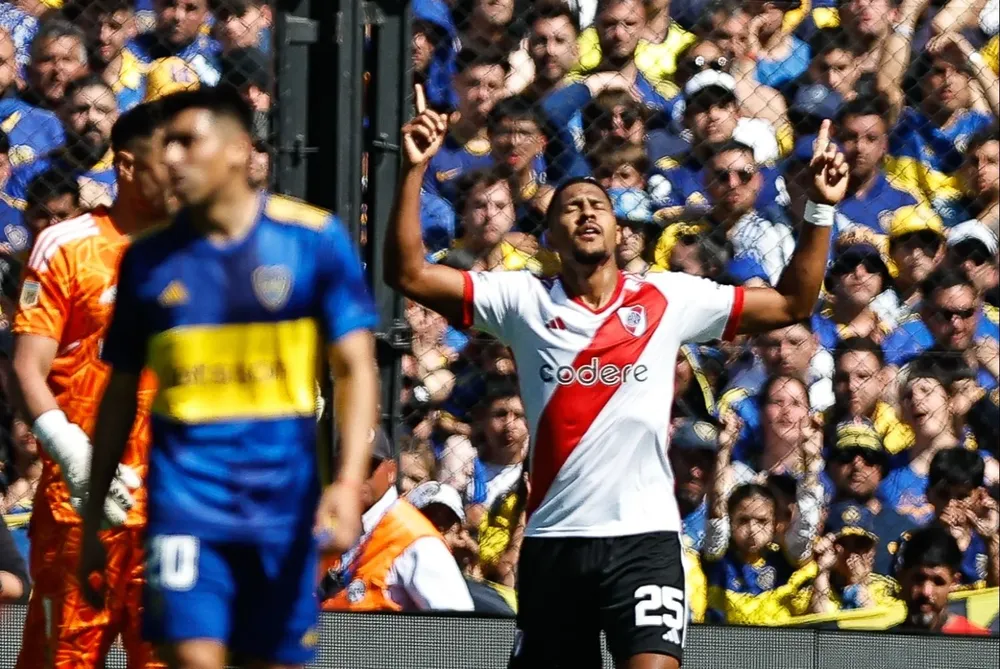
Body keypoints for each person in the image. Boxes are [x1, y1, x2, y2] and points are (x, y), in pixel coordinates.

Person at [386, 83, 848, 669]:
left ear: (616, 228)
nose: (584, 213)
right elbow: (409, 273)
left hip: (646, 540)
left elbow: (791, 304)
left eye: (596, 205)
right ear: (550, 237)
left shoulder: (665, 296)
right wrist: (414, 170)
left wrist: (821, 208)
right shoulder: (522, 300)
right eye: (570, 207)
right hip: (555, 542)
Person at [77, 87, 380, 669]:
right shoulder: (146, 259)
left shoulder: (313, 241)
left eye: (187, 142)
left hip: (282, 508)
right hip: (184, 506)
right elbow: (118, 393)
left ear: (240, 151)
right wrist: (94, 522)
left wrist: (346, 483)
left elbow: (354, 367)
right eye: (165, 145)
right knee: (192, 658)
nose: (170, 159)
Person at [11, 101, 175, 669]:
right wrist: (70, 452)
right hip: (83, 507)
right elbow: (26, 367)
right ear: (127, 166)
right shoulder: (68, 245)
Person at [319, 435, 475, 613]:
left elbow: (459, 629)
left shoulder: (416, 539)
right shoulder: (329, 525)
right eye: (348, 466)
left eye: (369, 466)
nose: (357, 476)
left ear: (391, 471)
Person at [890, 525, 991, 635]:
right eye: (918, 579)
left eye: (938, 582)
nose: (926, 592)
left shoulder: (978, 642)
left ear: (953, 583)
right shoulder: (883, 644)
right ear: (901, 577)